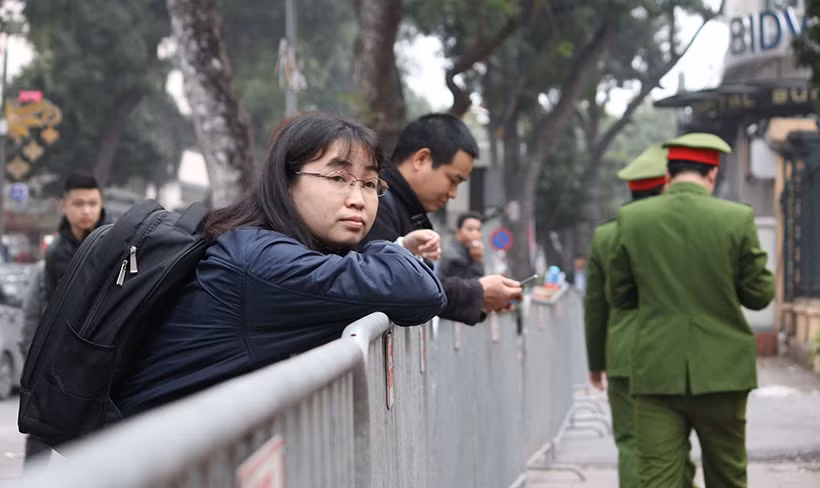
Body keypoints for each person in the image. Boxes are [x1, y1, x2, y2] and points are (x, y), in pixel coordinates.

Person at [114, 113, 447, 415]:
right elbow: (420, 290)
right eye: (337, 178)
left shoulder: (258, 245)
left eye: (369, 184)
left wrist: (392, 246)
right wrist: (386, 246)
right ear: (286, 182)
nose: (357, 199)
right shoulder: (262, 262)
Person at [607, 133, 774, 488]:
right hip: (723, 373)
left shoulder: (633, 219)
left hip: (656, 372)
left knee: (658, 480)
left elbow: (619, 296)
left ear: (668, 175)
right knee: (727, 476)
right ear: (712, 174)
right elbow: (759, 296)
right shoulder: (737, 219)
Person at [585, 144, 696, 487]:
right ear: (666, 183)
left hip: (623, 357)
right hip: (675, 353)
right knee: (677, 442)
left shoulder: (606, 235)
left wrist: (596, 361)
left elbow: (595, 306)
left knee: (632, 445)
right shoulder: (681, 228)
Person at [362, 113, 522, 324]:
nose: (454, 193)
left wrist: (481, 297)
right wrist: (477, 293)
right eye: (452, 179)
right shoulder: (376, 203)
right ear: (421, 159)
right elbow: (390, 284)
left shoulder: (408, 210)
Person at [44, 173, 106, 301]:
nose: (86, 211)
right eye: (79, 204)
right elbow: (50, 302)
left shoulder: (115, 242)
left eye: (93, 204)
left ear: (101, 204)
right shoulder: (55, 252)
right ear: (64, 205)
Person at [439, 211, 485, 280]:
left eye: (478, 230)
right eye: (470, 229)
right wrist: (477, 262)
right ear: (458, 232)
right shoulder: (453, 257)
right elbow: (472, 285)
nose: (475, 234)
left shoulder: (473, 253)